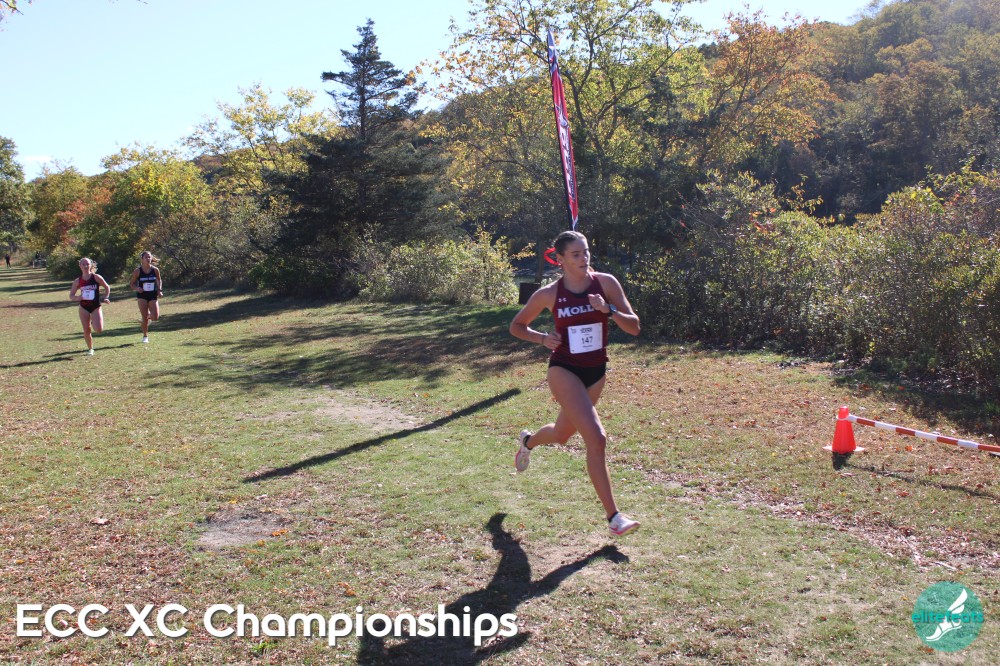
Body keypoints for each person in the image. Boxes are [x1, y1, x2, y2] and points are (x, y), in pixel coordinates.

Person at [509, 230, 642, 536]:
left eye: (586, 252)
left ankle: (528, 442)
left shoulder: (605, 283)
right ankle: (614, 518)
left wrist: (608, 310)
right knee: (597, 438)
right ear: (560, 259)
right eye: (576, 254)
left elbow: (634, 327)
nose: (584, 258)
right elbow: (517, 326)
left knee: (561, 434)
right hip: (564, 369)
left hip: (596, 372)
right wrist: (543, 338)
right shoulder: (549, 294)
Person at [69, 257, 111, 355]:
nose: (85, 266)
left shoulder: (96, 277)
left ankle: (94, 320)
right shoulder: (77, 281)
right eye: (83, 264)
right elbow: (71, 296)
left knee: (98, 329)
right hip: (84, 307)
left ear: (91, 265)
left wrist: (106, 297)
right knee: (86, 329)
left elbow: (107, 287)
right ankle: (90, 349)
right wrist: (78, 298)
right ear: (80, 266)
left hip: (95, 306)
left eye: (87, 264)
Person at [128, 250, 162, 343]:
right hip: (142, 295)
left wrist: (159, 290)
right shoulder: (138, 271)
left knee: (155, 317)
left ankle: (148, 317)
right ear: (142, 259)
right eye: (146, 257)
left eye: (149, 257)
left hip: (152, 295)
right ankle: (145, 336)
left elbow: (159, 280)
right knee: (144, 317)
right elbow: (132, 284)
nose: (148, 258)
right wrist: (137, 288)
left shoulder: (155, 270)